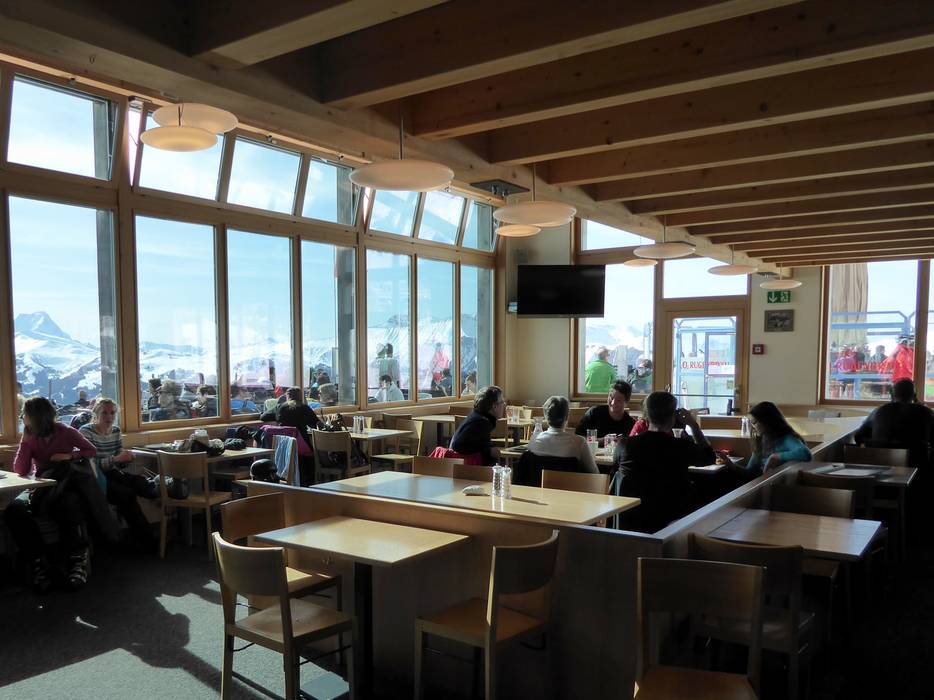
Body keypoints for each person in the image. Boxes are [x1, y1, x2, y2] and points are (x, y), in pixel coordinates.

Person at [4, 397, 98, 591]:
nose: (22, 417)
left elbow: (91, 450)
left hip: (63, 484)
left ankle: (77, 559)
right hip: (39, 487)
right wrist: (24, 442)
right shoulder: (31, 437)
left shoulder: (66, 432)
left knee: (68, 504)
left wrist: (70, 455)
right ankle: (39, 562)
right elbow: (21, 470)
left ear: (35, 417)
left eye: (24, 414)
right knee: (13, 509)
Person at [614, 391, 714, 533]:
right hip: (671, 522)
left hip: (631, 521)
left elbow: (615, 468)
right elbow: (709, 457)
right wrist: (693, 425)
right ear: (673, 417)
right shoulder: (680, 447)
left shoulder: (625, 445)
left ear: (646, 415)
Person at [79, 399, 157, 552]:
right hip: (95, 479)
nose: (109, 417)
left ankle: (156, 488)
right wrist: (115, 459)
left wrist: (126, 458)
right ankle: (148, 541)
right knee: (127, 494)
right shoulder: (86, 432)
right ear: (96, 414)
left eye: (112, 413)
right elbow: (90, 466)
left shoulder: (115, 431)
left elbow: (119, 462)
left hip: (112, 472)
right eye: (104, 413)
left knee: (136, 482)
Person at [854, 379, 934, 466]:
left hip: (880, 467)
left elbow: (858, 437)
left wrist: (874, 444)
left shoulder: (879, 411)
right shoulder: (926, 412)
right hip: (917, 467)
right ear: (914, 396)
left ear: (892, 395)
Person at [528, 395, 598, 473]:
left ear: (545, 416)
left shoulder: (534, 439)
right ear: (567, 417)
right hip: (570, 481)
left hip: (539, 481)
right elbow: (594, 472)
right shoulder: (579, 442)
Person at [742, 401, 811, 477]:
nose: (752, 427)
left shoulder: (787, 438)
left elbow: (805, 454)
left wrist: (775, 456)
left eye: (754, 422)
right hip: (759, 480)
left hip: (770, 482)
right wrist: (732, 466)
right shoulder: (762, 439)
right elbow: (749, 471)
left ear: (766, 421)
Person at [449, 385, 506, 464]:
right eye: (502, 402)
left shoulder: (476, 417)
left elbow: (478, 445)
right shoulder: (482, 423)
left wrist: (489, 450)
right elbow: (460, 447)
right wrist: (490, 451)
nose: (504, 404)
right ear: (494, 406)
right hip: (466, 466)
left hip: (458, 463)